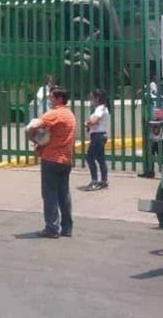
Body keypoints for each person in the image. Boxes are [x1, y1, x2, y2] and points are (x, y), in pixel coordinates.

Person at [27, 86, 76, 238]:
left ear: (60, 99)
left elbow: (33, 126)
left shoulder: (55, 114)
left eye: (52, 97)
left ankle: (52, 228)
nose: (49, 100)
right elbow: (53, 134)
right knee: (64, 194)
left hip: (51, 159)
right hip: (65, 159)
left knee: (49, 194)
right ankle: (67, 227)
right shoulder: (69, 115)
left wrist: (32, 137)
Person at [84, 89, 111, 191]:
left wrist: (87, 123)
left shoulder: (100, 108)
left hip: (98, 136)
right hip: (100, 136)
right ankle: (103, 180)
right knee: (100, 159)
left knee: (90, 157)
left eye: (92, 98)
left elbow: (94, 121)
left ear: (97, 98)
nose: (91, 100)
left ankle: (94, 181)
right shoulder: (103, 108)